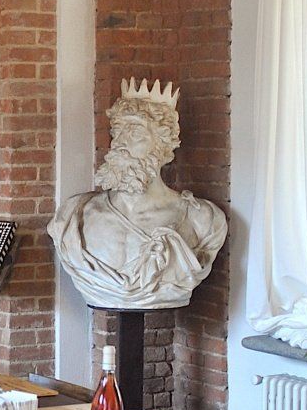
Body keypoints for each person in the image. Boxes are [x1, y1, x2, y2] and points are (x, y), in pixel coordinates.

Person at [48, 79, 227, 310]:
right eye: (118, 132)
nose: (121, 142)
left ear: (163, 148)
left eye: (136, 134)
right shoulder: (75, 214)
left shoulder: (201, 219)